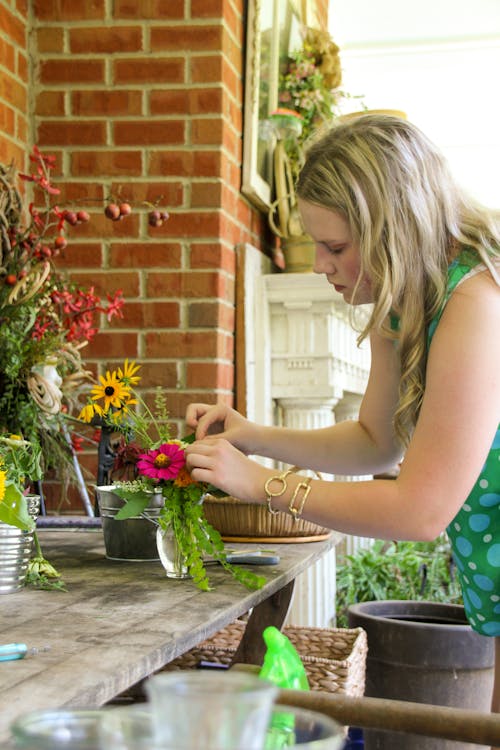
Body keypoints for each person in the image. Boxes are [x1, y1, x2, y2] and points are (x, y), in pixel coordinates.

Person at [184, 114, 500, 724]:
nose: (323, 266)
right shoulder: (400, 299)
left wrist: (261, 485)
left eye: (336, 248)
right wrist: (251, 435)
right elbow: (376, 442)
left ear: (393, 231)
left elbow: (420, 510)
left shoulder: (476, 301)